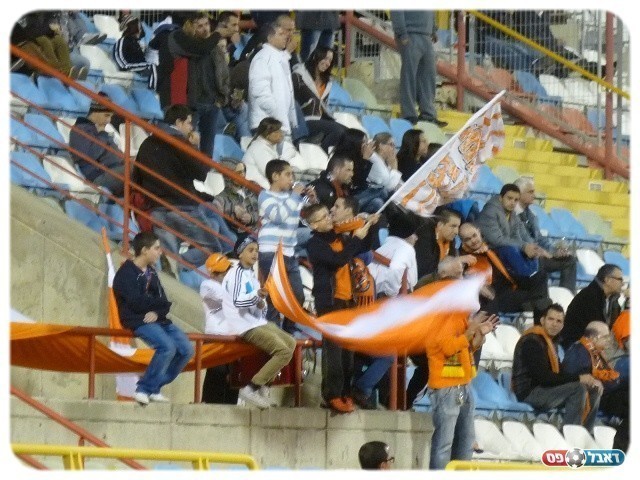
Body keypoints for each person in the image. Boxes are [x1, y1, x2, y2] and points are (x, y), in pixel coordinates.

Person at [133, 104, 237, 263]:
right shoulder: (181, 143)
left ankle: (173, 264)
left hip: (156, 209)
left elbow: (136, 177)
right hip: (181, 208)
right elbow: (201, 172)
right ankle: (179, 264)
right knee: (212, 250)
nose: (191, 128)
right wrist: (195, 146)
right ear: (178, 122)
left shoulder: (147, 143)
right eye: (189, 123)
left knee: (208, 211)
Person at [304, 203, 377, 413]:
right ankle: (332, 394)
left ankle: (345, 392)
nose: (329, 219)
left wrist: (370, 227)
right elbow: (338, 260)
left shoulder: (340, 237)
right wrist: (356, 238)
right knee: (334, 350)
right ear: (314, 225)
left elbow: (363, 247)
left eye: (328, 214)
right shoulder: (314, 244)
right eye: (323, 218)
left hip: (348, 300)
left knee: (348, 352)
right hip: (329, 301)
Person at [112, 232, 194, 405]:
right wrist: (156, 306)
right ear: (144, 250)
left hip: (158, 318)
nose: (160, 252)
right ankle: (143, 389)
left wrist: (156, 312)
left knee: (186, 349)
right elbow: (136, 302)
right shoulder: (126, 273)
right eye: (156, 248)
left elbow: (165, 302)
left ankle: (154, 387)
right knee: (167, 347)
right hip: (138, 320)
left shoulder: (152, 273)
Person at [216, 239, 297, 409]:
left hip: (254, 321)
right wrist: (257, 296)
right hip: (241, 325)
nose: (255, 254)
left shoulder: (250, 274)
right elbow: (238, 301)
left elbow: (256, 304)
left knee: (291, 342)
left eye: (256, 250)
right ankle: (251, 388)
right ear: (240, 253)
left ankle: (264, 387)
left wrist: (260, 303)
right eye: (250, 250)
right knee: (283, 351)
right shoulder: (235, 274)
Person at [511, 304, 602, 434]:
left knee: (594, 388)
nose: (554, 324)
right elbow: (543, 378)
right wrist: (578, 378)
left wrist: (589, 380)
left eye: (559, 321)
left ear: (563, 325)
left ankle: (585, 433)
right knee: (578, 389)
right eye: (551, 319)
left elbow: (559, 373)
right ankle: (570, 435)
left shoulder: (551, 342)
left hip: (546, 389)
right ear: (542, 320)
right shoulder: (532, 341)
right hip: (530, 392)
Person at [427, 310, 499, 469]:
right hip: (445, 388)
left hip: (465, 385)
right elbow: (449, 348)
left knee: (467, 442)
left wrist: (480, 334)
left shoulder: (460, 319)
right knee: (444, 444)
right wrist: (471, 330)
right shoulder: (439, 321)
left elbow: (468, 348)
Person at [257, 159, 313, 331]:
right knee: (274, 298)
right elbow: (278, 216)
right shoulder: (264, 196)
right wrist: (295, 196)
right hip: (270, 252)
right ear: (275, 176)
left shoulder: (292, 198)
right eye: (287, 174)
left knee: (298, 296)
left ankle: (288, 332)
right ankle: (274, 335)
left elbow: (308, 217)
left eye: (292, 175)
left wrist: (311, 199)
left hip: (289, 252)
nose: (291, 179)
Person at [459, 223, 551, 320]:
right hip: (497, 295)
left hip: (511, 284)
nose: (473, 241)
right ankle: (539, 310)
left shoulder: (490, 249)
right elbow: (464, 279)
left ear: (479, 232)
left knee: (542, 275)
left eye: (474, 235)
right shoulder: (464, 259)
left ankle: (537, 305)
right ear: (462, 241)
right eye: (468, 239)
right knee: (542, 302)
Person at [167, 11, 225, 158]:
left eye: (206, 24)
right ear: (192, 28)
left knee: (208, 147)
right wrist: (217, 34)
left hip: (212, 103)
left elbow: (223, 72)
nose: (205, 29)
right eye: (200, 26)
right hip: (193, 104)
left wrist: (222, 97)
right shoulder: (188, 46)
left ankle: (205, 171)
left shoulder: (214, 47)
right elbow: (200, 49)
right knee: (187, 143)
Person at [514, 177, 577, 292]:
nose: (534, 195)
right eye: (530, 192)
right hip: (524, 256)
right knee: (540, 263)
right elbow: (521, 240)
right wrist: (543, 252)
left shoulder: (531, 214)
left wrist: (555, 251)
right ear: (519, 194)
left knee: (570, 260)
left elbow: (540, 239)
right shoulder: (512, 214)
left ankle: (566, 296)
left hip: (540, 256)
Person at [390, 11, 447, 127]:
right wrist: (402, 33)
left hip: (426, 35)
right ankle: (408, 114)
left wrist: (433, 29)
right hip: (410, 34)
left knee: (428, 77)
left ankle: (428, 114)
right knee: (409, 77)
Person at [199, 252, 238, 405]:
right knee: (216, 376)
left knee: (233, 378)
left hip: (233, 338)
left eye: (227, 269)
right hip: (215, 336)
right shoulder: (207, 285)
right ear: (213, 273)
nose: (227, 273)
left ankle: (230, 408)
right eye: (223, 271)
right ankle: (207, 405)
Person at [68, 94, 126, 196]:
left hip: (112, 170)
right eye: (106, 115)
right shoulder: (80, 130)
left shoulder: (96, 129)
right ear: (96, 112)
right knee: (136, 170)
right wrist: (102, 135)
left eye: (110, 117)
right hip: (98, 176)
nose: (109, 120)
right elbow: (90, 155)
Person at [292, 46, 347, 152]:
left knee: (349, 133)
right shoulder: (299, 75)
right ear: (316, 57)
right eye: (325, 58)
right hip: (304, 120)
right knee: (338, 131)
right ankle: (322, 154)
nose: (327, 63)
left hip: (321, 119)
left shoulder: (328, 82)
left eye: (330, 60)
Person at [249, 19, 297, 138]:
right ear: (269, 38)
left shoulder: (279, 58)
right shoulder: (262, 58)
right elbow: (260, 93)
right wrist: (280, 119)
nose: (285, 37)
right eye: (280, 34)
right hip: (267, 125)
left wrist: (291, 120)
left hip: (278, 124)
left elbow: (288, 93)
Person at [561, 264, 624, 350]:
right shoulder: (589, 296)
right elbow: (596, 328)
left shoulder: (612, 299)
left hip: (598, 344)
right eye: (620, 279)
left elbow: (617, 324)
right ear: (607, 280)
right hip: (577, 346)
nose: (622, 283)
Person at [331, 129, 387, 213]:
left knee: (378, 202)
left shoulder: (357, 157)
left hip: (355, 194)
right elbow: (356, 184)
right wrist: (365, 159)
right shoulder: (340, 160)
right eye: (364, 143)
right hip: (345, 198)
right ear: (355, 143)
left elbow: (362, 184)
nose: (366, 146)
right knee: (383, 191)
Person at [242, 117, 305, 189]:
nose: (281, 134)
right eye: (277, 132)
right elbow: (272, 174)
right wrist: (286, 157)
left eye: (280, 130)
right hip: (257, 189)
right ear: (267, 135)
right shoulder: (259, 148)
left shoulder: (267, 146)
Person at [211, 160, 259, 236]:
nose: (243, 175)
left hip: (260, 227)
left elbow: (263, 207)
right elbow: (215, 213)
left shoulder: (252, 186)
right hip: (242, 234)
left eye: (244, 171)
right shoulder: (222, 195)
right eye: (239, 173)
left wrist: (252, 218)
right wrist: (232, 209)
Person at [113, 15, 158, 90]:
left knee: (159, 68)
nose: (140, 29)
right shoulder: (122, 41)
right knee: (152, 66)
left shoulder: (135, 42)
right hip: (127, 66)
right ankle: (152, 90)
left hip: (138, 67)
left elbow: (143, 35)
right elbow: (120, 60)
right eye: (139, 27)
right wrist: (125, 67)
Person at [367, 132, 403, 197]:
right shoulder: (374, 160)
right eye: (391, 144)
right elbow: (389, 187)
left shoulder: (386, 160)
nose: (394, 148)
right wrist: (394, 167)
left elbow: (399, 183)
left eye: (394, 145)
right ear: (381, 146)